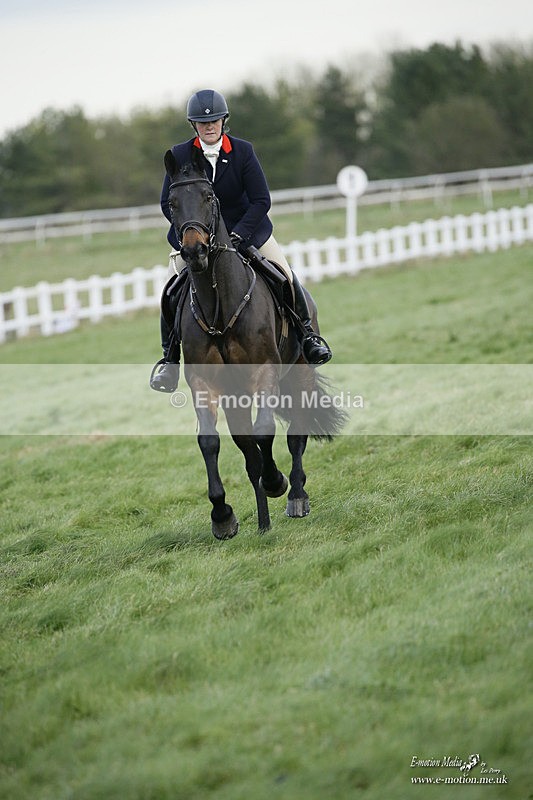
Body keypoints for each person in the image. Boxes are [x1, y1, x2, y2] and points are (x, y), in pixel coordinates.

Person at [150, 88, 332, 392]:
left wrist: (239, 234)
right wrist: (190, 233)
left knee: (285, 276)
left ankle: (308, 338)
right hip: (196, 237)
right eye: (202, 122)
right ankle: (169, 360)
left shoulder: (242, 151)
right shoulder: (180, 155)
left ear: (224, 121)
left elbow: (261, 200)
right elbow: (166, 202)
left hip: (246, 230)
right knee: (170, 290)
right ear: (193, 125)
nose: (209, 127)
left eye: (215, 121)